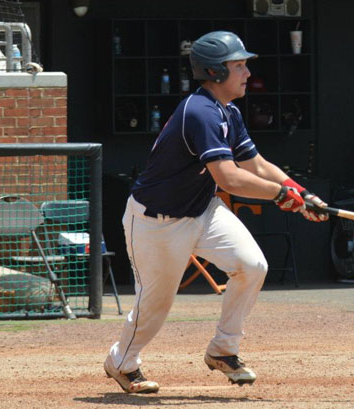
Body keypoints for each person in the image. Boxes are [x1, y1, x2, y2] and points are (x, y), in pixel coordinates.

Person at [103, 31, 328, 394]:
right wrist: (280, 195)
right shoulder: (201, 112)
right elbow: (229, 177)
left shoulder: (228, 111)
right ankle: (122, 362)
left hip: (202, 210)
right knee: (156, 306)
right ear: (214, 72)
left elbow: (253, 162)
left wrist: (300, 192)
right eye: (237, 66)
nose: (246, 73)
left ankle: (224, 349)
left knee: (252, 266)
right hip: (156, 221)